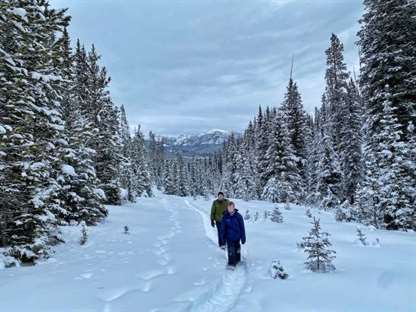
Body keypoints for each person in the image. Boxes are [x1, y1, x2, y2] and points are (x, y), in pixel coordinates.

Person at [220, 201, 246, 268]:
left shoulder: (238, 216)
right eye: (229, 208)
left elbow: (242, 227)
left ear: (234, 208)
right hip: (229, 237)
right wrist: (222, 237)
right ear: (227, 208)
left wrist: (243, 238)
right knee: (231, 250)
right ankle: (231, 263)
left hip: (237, 236)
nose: (230, 209)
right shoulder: (225, 216)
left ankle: (237, 259)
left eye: (231, 207)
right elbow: (223, 228)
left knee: (237, 248)